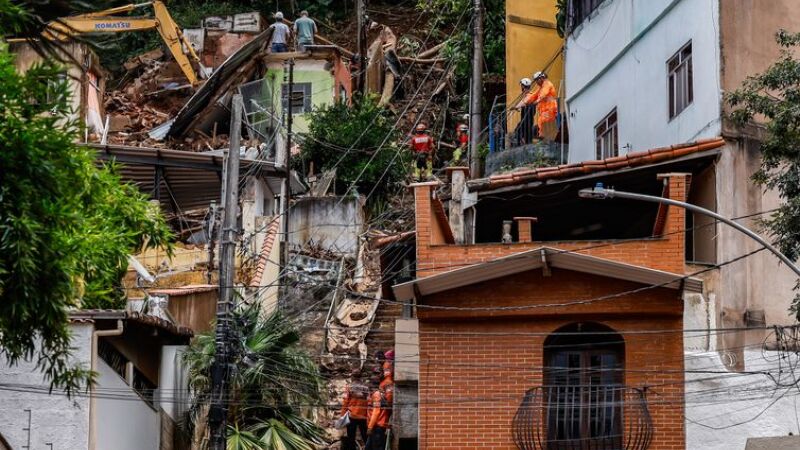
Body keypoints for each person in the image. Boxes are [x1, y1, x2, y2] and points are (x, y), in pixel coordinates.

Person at [515, 71, 558, 141]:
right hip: (544, 110)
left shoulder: (547, 84)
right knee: (541, 123)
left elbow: (543, 94)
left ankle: (547, 139)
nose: (536, 82)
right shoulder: (541, 87)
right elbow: (533, 96)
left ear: (541, 78)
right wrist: (520, 105)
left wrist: (536, 101)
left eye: (537, 80)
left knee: (546, 126)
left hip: (550, 109)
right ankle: (544, 139)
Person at [340, 372, 370, 450]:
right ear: (360, 377)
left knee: (351, 437)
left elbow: (345, 401)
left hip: (352, 415)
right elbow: (369, 401)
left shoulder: (349, 387)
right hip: (363, 416)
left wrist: (342, 415)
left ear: (353, 377)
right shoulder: (366, 387)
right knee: (365, 436)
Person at [366, 369, 394, 450]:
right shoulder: (377, 393)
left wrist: (370, 427)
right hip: (376, 425)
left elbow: (376, 411)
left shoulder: (376, 394)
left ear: (371, 384)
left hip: (377, 426)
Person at [513, 77, 536, 145]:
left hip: (528, 120)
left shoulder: (530, 95)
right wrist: (517, 107)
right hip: (525, 119)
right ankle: (524, 143)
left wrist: (516, 106)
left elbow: (524, 102)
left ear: (523, 86)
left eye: (522, 86)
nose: (521, 88)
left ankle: (525, 144)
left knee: (523, 132)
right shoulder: (526, 95)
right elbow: (523, 102)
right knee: (520, 131)